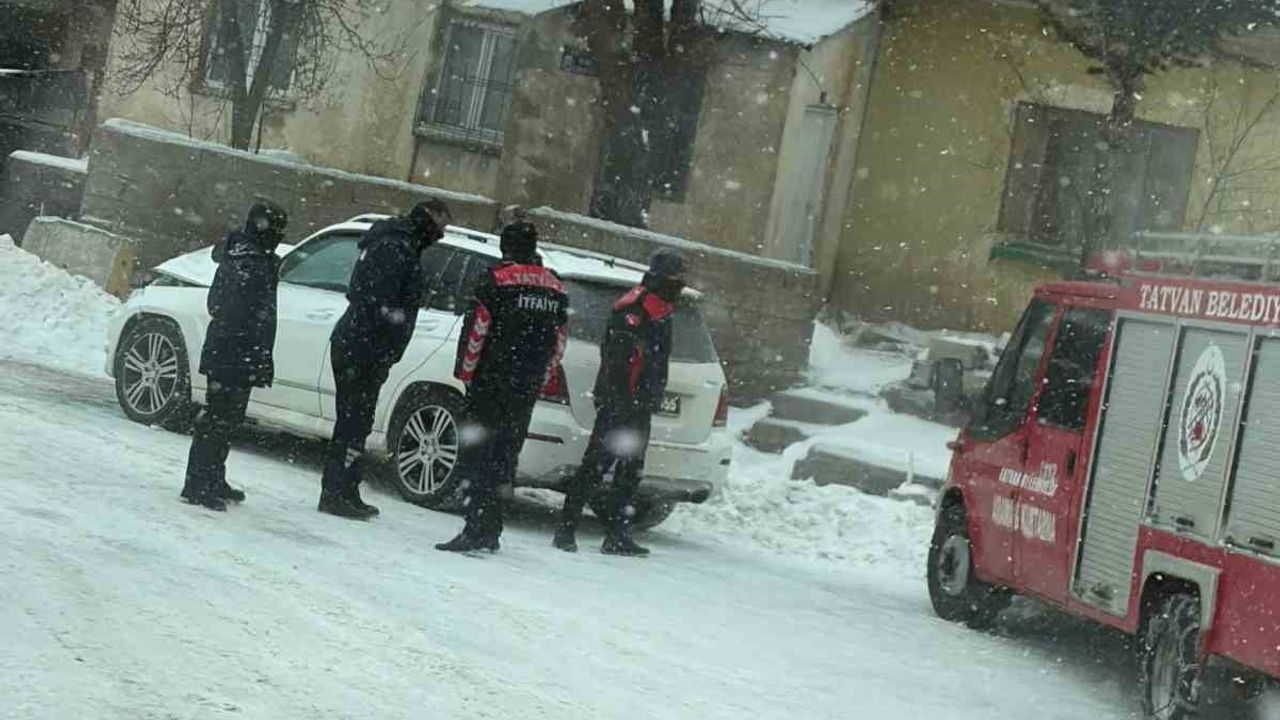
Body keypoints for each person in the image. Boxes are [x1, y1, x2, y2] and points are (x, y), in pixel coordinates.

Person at [436, 221, 569, 552]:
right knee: (506, 458)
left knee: (479, 455)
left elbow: (478, 331)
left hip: (491, 383)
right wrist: (539, 377)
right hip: (524, 389)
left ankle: (474, 528)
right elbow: (559, 343)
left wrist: (467, 375)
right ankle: (493, 529)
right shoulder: (555, 286)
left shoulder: (496, 280)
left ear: (505, 247)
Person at [318, 199, 452, 519]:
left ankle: (344, 488)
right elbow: (379, 302)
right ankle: (336, 491)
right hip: (362, 347)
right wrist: (384, 344)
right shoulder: (396, 248)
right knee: (354, 421)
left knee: (355, 421)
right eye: (440, 227)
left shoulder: (396, 243)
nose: (441, 235)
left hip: (361, 344)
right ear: (426, 221)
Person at [553, 251, 688, 556]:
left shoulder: (660, 308)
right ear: (663, 278)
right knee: (596, 466)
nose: (679, 285)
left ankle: (617, 534)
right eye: (676, 278)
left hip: (640, 404)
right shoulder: (636, 308)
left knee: (630, 472)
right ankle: (566, 528)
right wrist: (625, 399)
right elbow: (619, 360)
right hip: (621, 402)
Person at [181, 201, 288, 511]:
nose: (278, 236)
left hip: (241, 350)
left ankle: (213, 475)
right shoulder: (245, 260)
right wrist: (247, 338)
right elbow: (222, 305)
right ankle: (198, 483)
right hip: (231, 349)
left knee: (228, 418)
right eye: (275, 229)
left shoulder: (256, 258)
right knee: (217, 418)